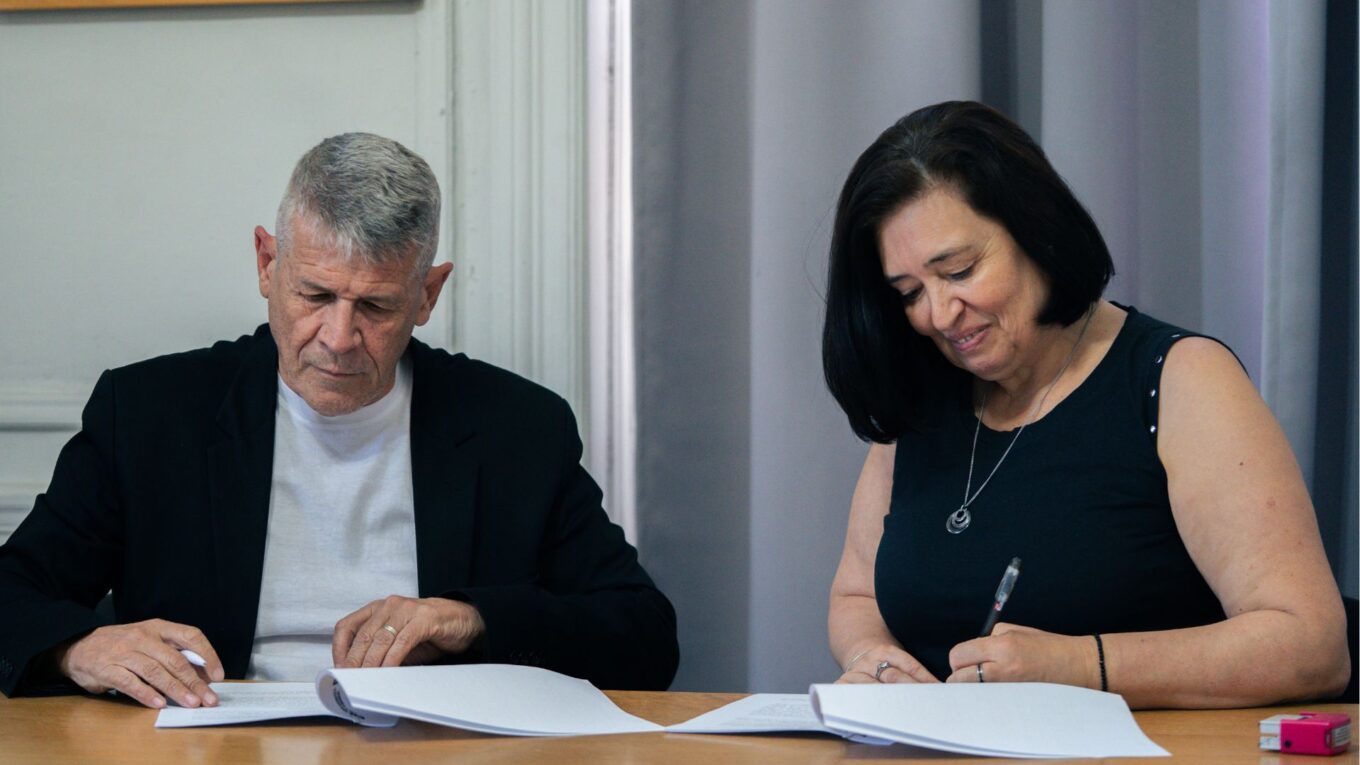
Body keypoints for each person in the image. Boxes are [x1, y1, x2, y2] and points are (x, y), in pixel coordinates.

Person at [0, 133, 678, 709]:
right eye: (315, 295)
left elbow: (645, 635)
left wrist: (472, 619)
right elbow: (13, 591)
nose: (338, 337)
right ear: (268, 264)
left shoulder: (518, 428)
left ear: (427, 294)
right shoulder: (149, 413)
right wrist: (77, 647)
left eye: (375, 307)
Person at [821, 101, 1349, 708]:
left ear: (1035, 232)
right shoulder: (921, 394)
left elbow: (1310, 644)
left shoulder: (1181, 379)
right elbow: (857, 597)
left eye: (960, 271)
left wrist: (1080, 664)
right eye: (910, 292)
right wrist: (871, 658)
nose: (939, 315)